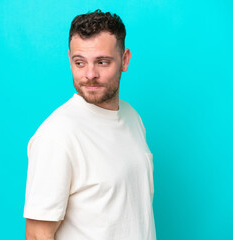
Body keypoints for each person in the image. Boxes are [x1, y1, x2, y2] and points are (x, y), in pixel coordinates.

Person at [23, 9, 156, 240]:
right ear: (69, 59)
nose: (90, 74)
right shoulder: (56, 137)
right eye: (80, 62)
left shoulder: (132, 117)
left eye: (102, 62)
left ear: (124, 60)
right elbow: (37, 235)